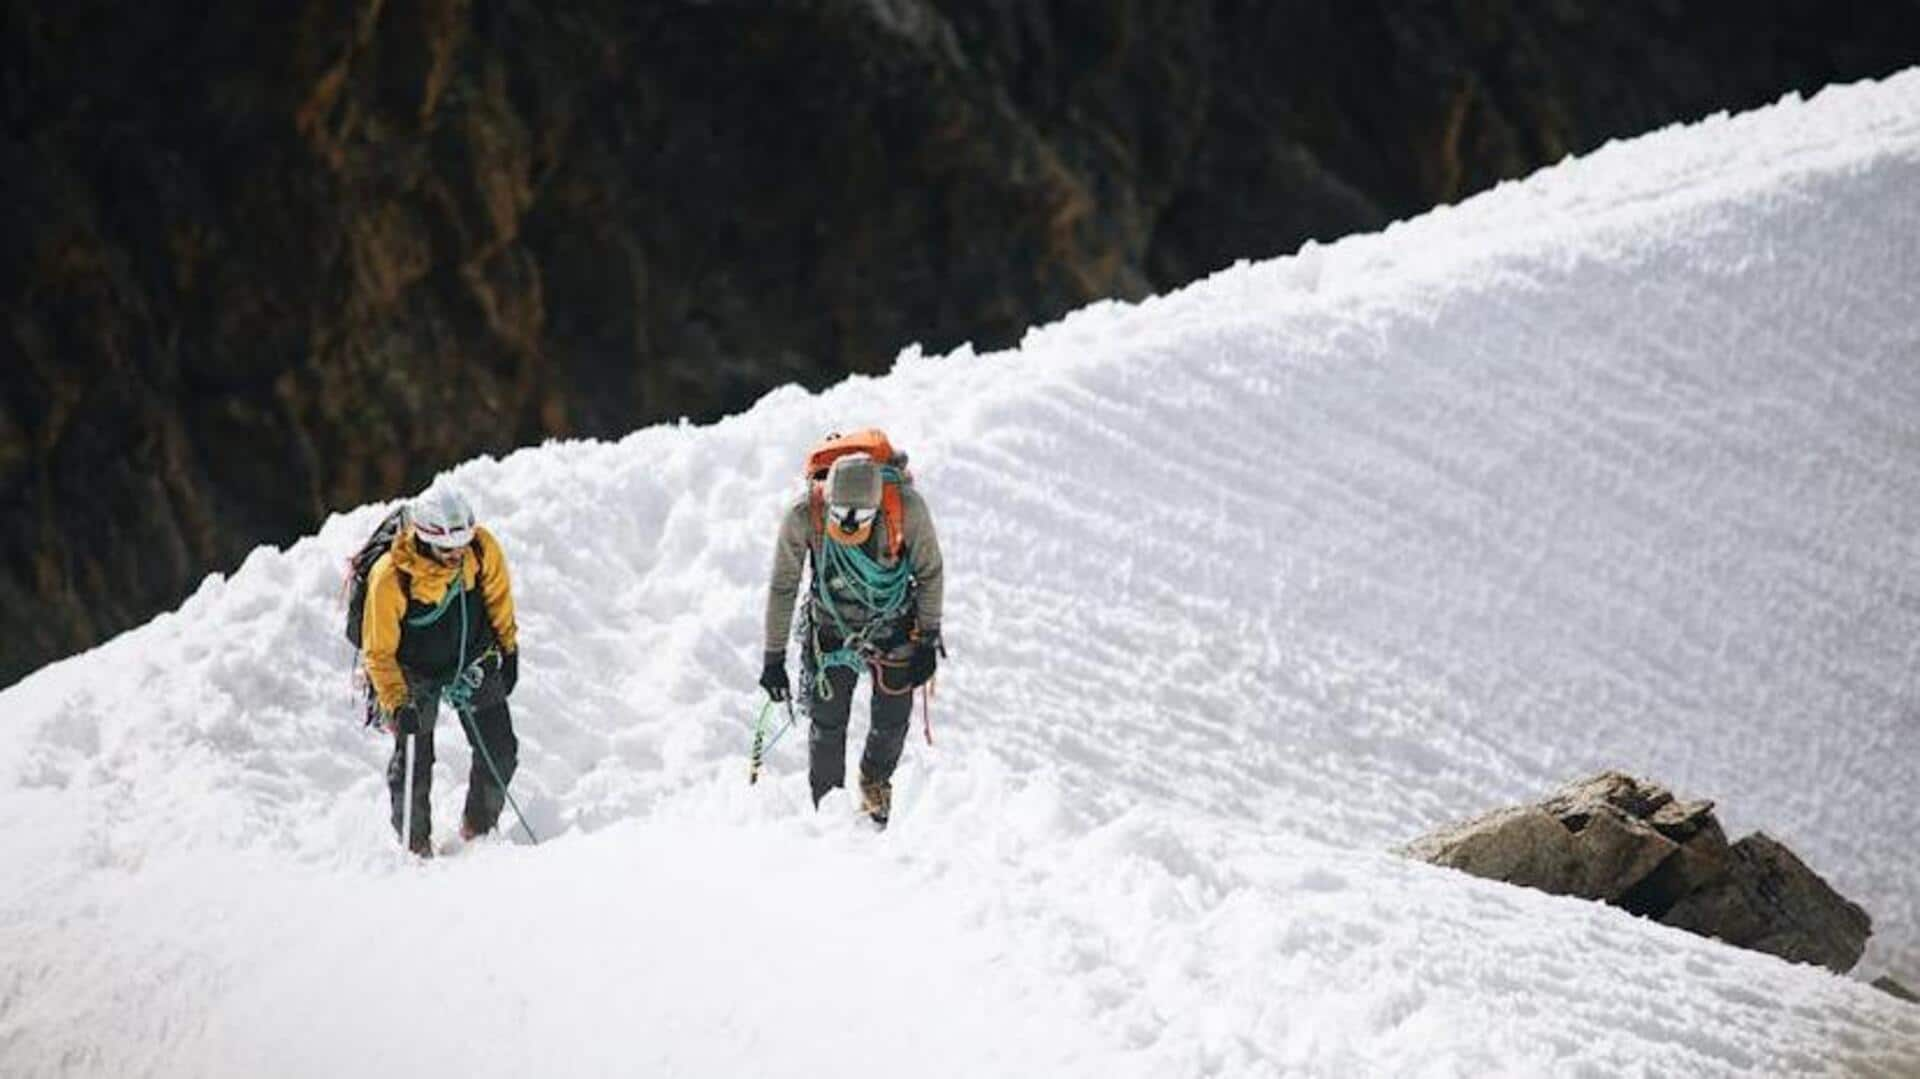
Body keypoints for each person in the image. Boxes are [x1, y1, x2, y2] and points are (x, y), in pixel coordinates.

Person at [762, 437, 943, 827]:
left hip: (893, 624)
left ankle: (874, 781)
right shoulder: (803, 515)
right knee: (827, 724)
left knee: (893, 718)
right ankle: (827, 810)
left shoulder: (907, 510)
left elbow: (930, 572)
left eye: (859, 518)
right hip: (831, 625)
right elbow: (783, 585)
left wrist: (928, 638)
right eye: (840, 514)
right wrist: (772, 657)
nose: (848, 525)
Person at [361, 486, 521, 855]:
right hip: (411, 672)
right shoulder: (390, 578)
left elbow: (498, 597)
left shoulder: (480, 549)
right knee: (415, 763)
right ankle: (415, 847)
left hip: (471, 656)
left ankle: (478, 830)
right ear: (424, 539)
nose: (456, 556)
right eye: (448, 549)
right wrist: (398, 703)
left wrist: (509, 649)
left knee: (500, 750)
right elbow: (379, 652)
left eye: (462, 546)